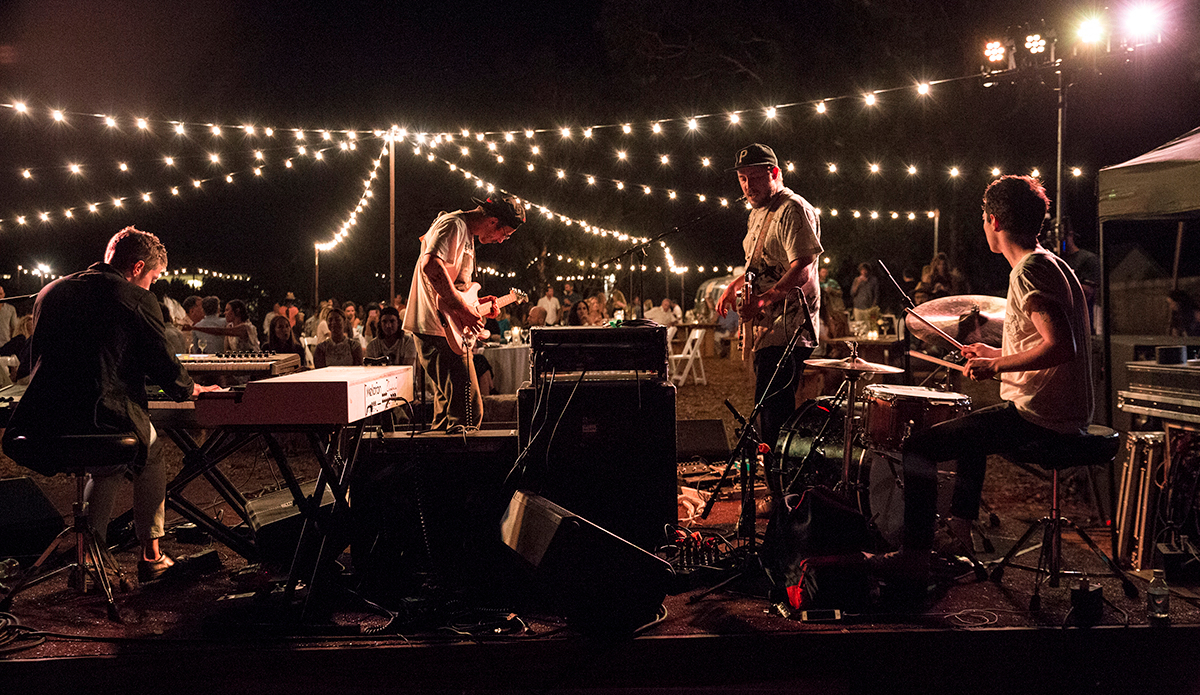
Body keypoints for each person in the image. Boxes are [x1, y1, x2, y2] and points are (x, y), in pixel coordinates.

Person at [871, 176, 1094, 582]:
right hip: (1061, 411)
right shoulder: (1053, 263)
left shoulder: (1029, 271)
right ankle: (959, 532)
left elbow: (1062, 347)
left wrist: (996, 367)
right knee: (972, 430)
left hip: (1043, 416)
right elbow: (1047, 343)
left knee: (918, 448)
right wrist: (995, 353)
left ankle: (915, 556)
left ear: (992, 220)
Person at [2, 227, 217, 582]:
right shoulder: (134, 297)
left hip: (45, 419)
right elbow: (161, 361)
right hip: (102, 416)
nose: (152, 285)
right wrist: (191, 389)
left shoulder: (50, 291)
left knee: (108, 466)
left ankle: (90, 559)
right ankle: (152, 555)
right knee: (150, 453)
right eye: (153, 277)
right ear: (136, 268)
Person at [717, 143, 822, 450]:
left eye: (754, 177)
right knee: (766, 410)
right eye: (742, 179)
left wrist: (764, 299)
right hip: (768, 328)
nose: (748, 186)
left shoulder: (793, 208)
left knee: (775, 414)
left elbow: (802, 267)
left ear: (774, 173)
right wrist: (732, 286)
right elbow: (757, 264)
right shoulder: (758, 214)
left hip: (789, 326)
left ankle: (785, 487)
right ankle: (776, 477)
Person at [403, 193, 525, 431]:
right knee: (468, 411)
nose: (502, 241)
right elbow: (431, 266)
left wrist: (475, 302)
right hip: (436, 328)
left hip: (441, 329)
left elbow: (451, 284)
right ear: (492, 222)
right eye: (505, 234)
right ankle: (462, 465)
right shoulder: (453, 224)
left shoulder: (464, 232)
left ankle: (437, 464)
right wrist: (463, 309)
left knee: (448, 413)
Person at [1061, 226, 1100, 334]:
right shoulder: (1055, 260)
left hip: (1081, 327)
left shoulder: (1087, 259)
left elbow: (1087, 292)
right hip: (1061, 327)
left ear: (1071, 235)